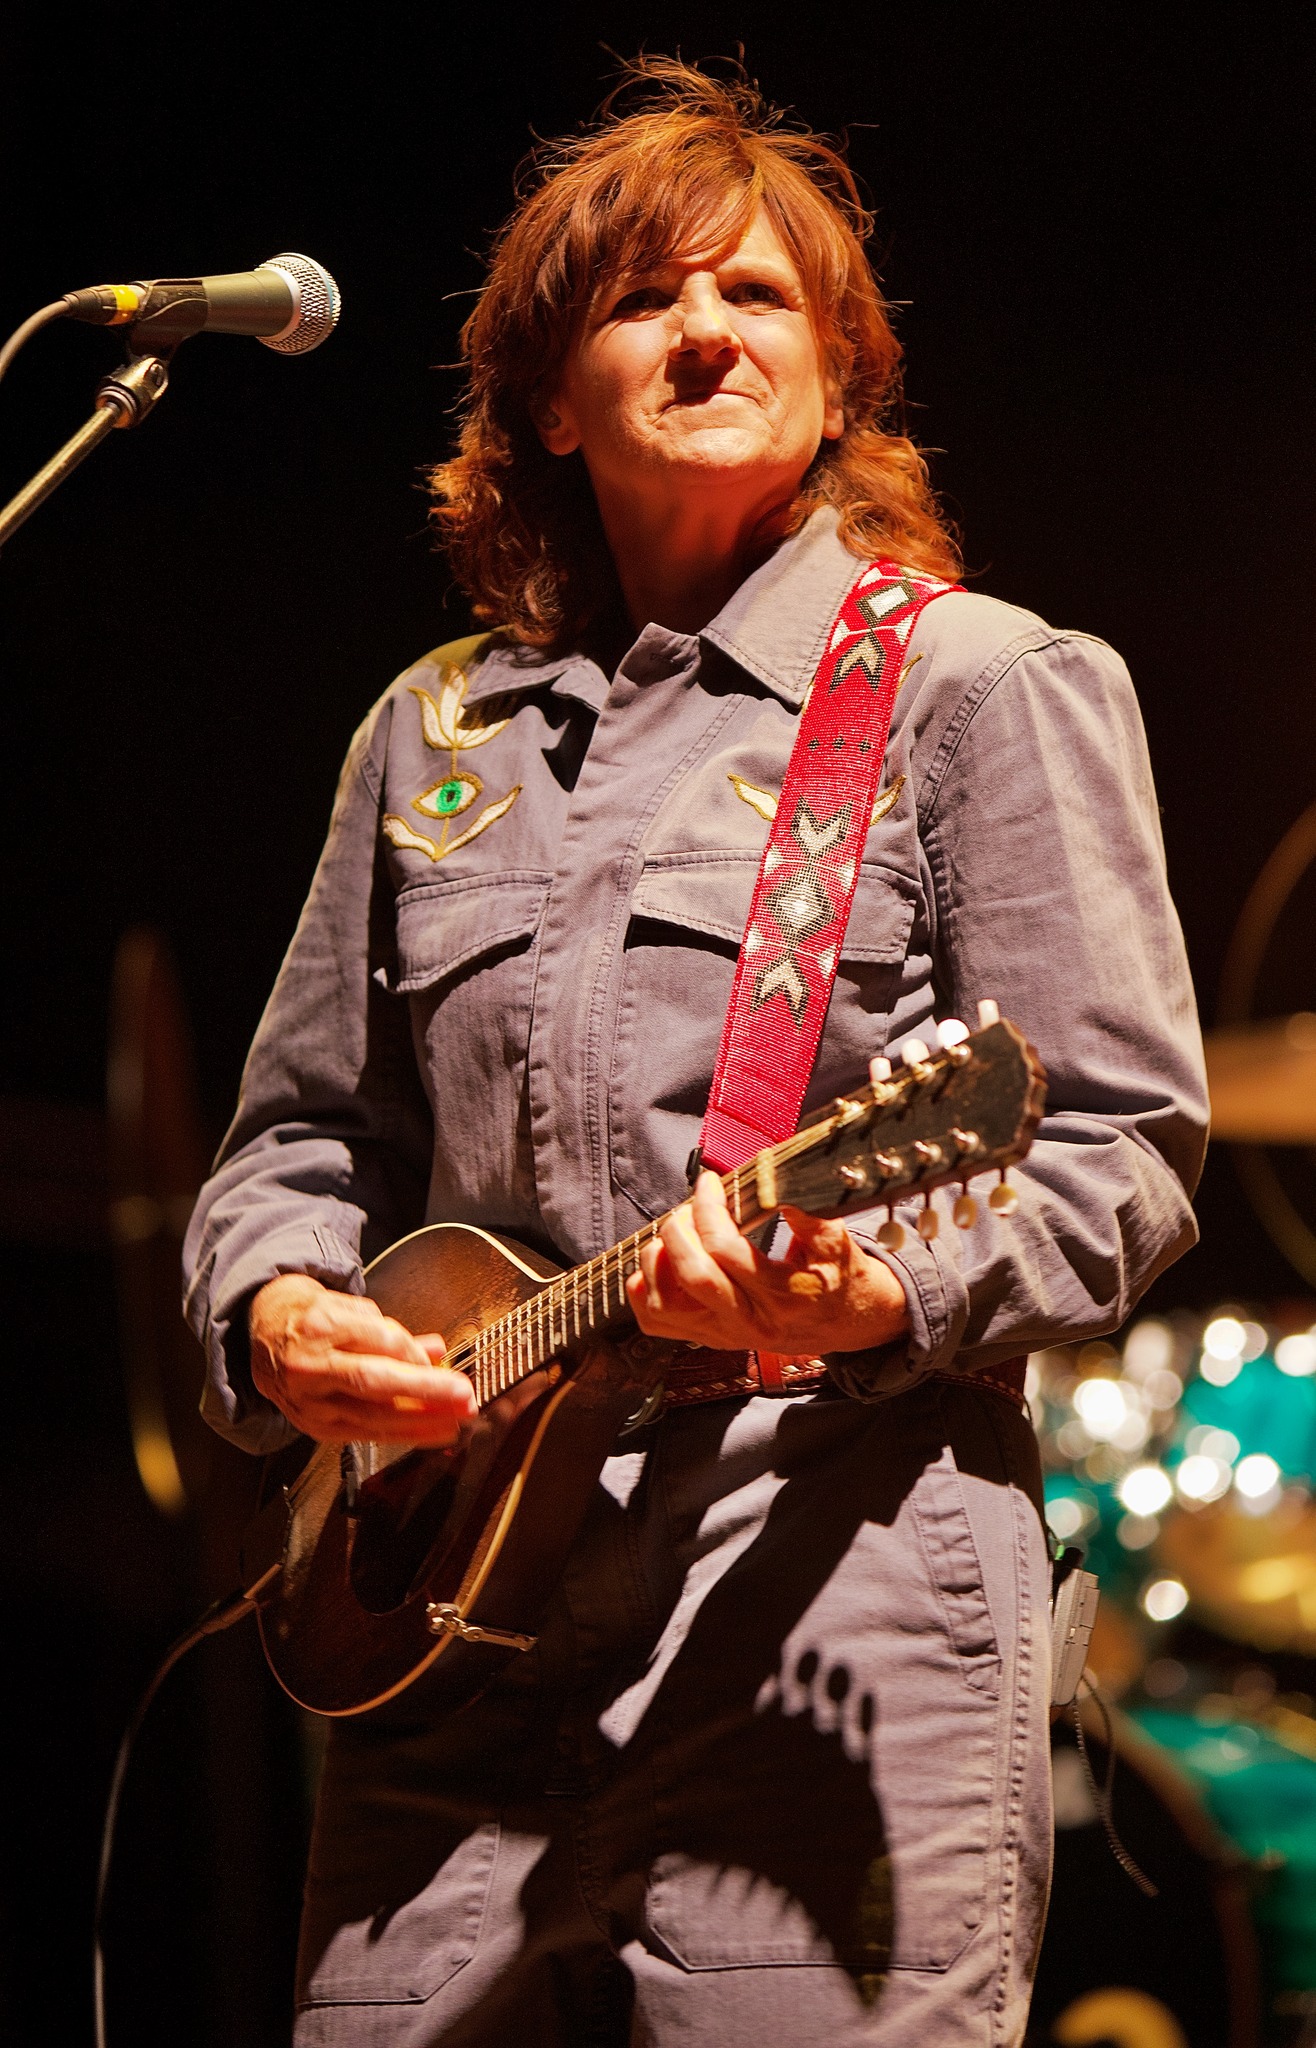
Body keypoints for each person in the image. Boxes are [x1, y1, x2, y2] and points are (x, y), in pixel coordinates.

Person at [184, 59, 1208, 2047]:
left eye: (758, 294)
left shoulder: (978, 686)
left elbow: (1117, 1146)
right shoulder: (431, 733)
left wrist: (875, 1288)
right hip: (438, 1627)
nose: (709, 329)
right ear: (550, 401)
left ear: (839, 373)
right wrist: (278, 1313)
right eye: (646, 297)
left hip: (827, 1614)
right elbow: (294, 1140)